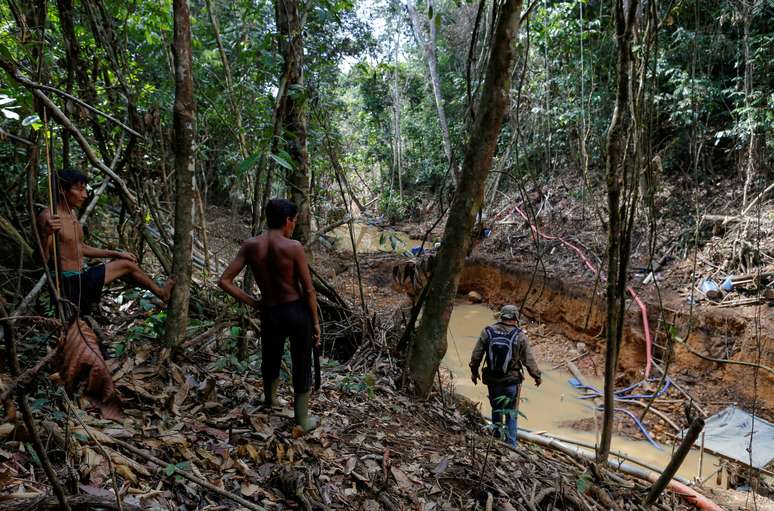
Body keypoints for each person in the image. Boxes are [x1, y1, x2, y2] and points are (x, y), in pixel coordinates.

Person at [218, 198, 321, 433]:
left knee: (270, 356)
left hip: (270, 312)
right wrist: (315, 322)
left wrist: (255, 303)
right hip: (296, 311)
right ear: (287, 220)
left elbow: (224, 281)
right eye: (294, 221)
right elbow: (309, 290)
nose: (293, 226)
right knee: (301, 361)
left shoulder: (250, 245)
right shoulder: (293, 247)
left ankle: (270, 399)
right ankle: (302, 421)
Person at [37, 169, 174, 316]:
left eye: (85, 189)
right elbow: (42, 260)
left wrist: (116, 253)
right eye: (80, 190)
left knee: (126, 263)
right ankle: (161, 293)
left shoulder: (72, 213)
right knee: (75, 329)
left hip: (82, 279)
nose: (84, 195)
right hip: (66, 284)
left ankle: (161, 292)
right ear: (62, 190)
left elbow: (80, 247)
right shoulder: (49, 217)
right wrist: (45, 235)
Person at [469, 304, 542, 446]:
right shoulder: (520, 336)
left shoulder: (488, 332)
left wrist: (474, 372)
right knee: (511, 413)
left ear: (501, 315)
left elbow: (476, 355)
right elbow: (529, 360)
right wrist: (537, 376)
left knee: (496, 409)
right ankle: (511, 445)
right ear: (515, 317)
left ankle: (496, 439)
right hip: (511, 382)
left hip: (492, 379)